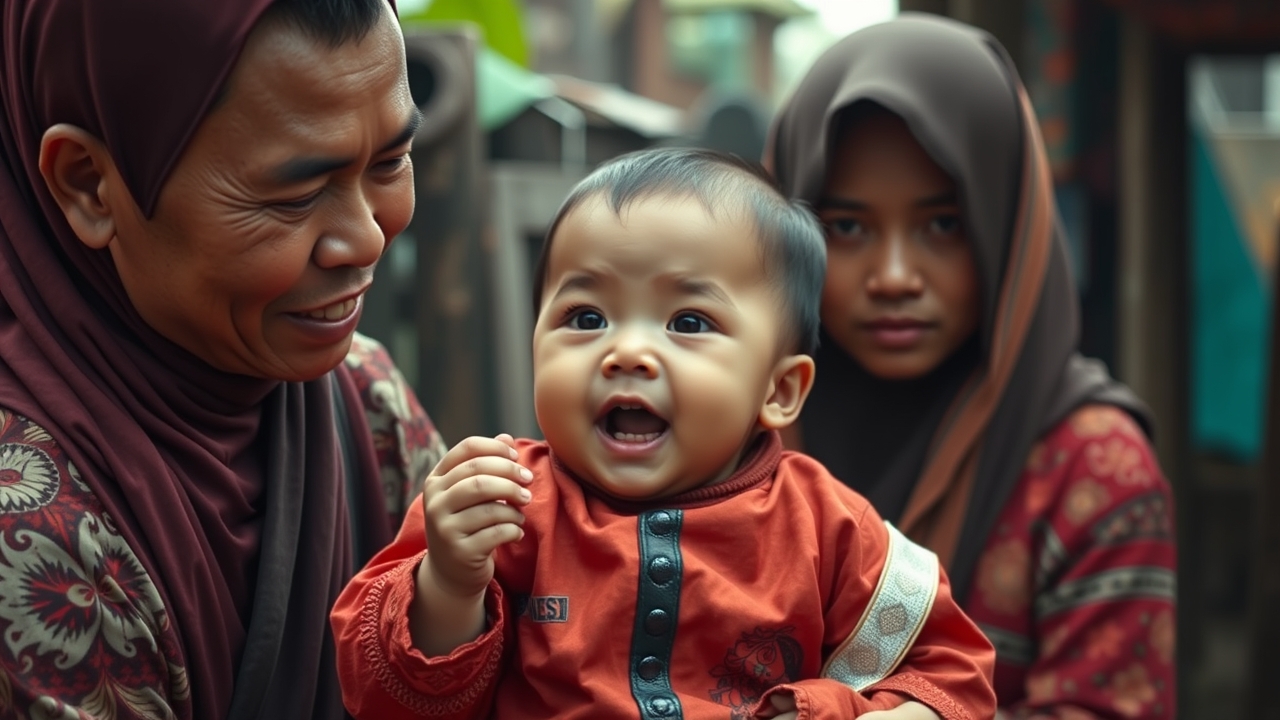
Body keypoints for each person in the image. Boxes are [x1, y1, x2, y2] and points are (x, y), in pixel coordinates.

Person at [331, 148, 997, 720]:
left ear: (779, 389)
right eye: (586, 316)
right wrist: (449, 582)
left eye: (688, 322)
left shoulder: (830, 528)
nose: (627, 353)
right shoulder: (507, 505)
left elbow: (952, 673)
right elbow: (381, 695)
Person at [0, 0, 446, 717]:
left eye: (391, 160)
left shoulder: (364, 401)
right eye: (297, 194)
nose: (366, 238)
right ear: (88, 181)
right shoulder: (31, 533)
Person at [764, 14, 1177, 719]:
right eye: (847, 227)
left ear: (1008, 229)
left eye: (944, 224)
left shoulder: (1091, 467)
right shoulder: (731, 437)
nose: (894, 276)